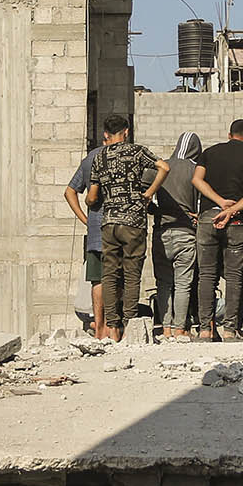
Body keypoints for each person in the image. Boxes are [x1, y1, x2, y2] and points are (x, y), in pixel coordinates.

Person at [86, 114, 169, 340]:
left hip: (109, 222)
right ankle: (130, 324)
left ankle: (112, 329)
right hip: (133, 221)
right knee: (132, 275)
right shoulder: (136, 151)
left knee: (110, 275)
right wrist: (149, 192)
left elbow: (92, 196)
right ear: (126, 132)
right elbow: (164, 167)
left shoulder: (99, 157)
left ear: (106, 134)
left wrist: (90, 201)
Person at [192, 118, 243, 341]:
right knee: (234, 276)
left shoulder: (210, 153)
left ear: (229, 134)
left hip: (208, 218)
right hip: (236, 222)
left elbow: (197, 180)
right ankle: (230, 330)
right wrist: (231, 209)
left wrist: (219, 202)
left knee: (207, 275)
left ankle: (205, 329)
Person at [149, 132, 204, 338]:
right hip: (185, 233)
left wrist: (157, 211)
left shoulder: (162, 165)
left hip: (161, 233)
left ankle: (166, 328)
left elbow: (147, 195)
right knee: (183, 283)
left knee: (163, 282)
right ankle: (180, 329)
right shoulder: (195, 170)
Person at [63, 138, 108, 336]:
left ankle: (99, 326)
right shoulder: (126, 157)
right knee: (118, 278)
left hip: (96, 232)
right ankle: (113, 327)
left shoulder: (90, 158)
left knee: (97, 280)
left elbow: (70, 191)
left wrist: (87, 221)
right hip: (119, 228)